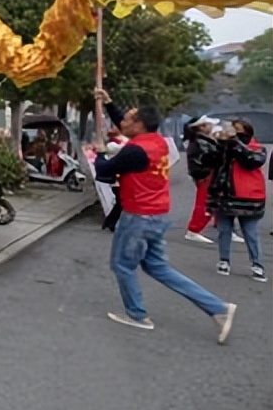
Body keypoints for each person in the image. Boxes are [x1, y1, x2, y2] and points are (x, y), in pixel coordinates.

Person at [92, 88, 236, 342]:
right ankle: (218, 308)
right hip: (158, 215)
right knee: (158, 267)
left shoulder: (134, 151)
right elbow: (126, 127)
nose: (122, 120)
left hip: (138, 216)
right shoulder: (156, 142)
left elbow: (103, 172)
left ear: (139, 124)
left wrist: (100, 152)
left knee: (122, 265)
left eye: (128, 118)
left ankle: (137, 315)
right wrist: (109, 102)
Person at [201, 119, 267, 282]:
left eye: (237, 131)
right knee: (224, 230)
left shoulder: (256, 147)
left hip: (248, 197)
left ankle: (257, 264)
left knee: (250, 232)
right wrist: (215, 142)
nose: (233, 133)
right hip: (225, 195)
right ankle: (224, 260)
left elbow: (251, 161)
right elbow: (207, 162)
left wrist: (235, 142)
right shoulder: (223, 147)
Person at [183, 116, 220, 244]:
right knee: (205, 202)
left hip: (207, 174)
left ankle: (221, 225)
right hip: (206, 174)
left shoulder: (202, 140)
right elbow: (212, 157)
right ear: (202, 127)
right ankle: (194, 229)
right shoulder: (201, 141)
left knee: (214, 201)